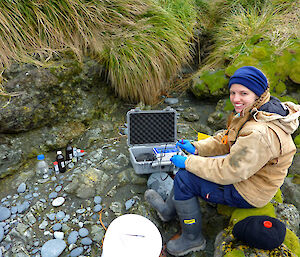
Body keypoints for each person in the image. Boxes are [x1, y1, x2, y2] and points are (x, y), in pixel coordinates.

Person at [144, 66, 300, 256]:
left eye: (243, 93)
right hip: (249, 174)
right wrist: (197, 148)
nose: (235, 98)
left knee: (185, 177)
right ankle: (168, 211)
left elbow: (229, 171)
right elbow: (227, 139)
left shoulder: (259, 133)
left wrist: (188, 162)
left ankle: (192, 239)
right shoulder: (257, 110)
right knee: (193, 167)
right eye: (233, 92)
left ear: (258, 93)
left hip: (249, 191)